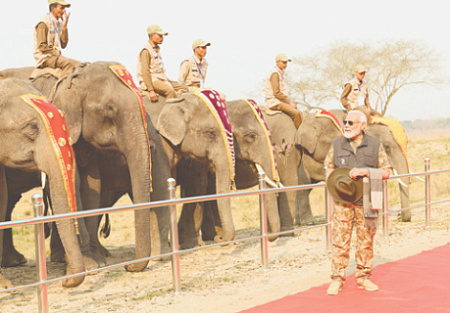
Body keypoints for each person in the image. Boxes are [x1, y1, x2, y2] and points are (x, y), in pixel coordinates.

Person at [324, 110, 390, 295]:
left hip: (368, 199)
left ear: (362, 125)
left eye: (351, 122)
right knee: (339, 240)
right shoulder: (336, 145)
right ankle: (337, 279)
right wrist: (333, 188)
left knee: (366, 241)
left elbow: (386, 172)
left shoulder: (375, 145)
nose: (346, 125)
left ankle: (363, 278)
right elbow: (329, 168)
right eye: (345, 121)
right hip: (342, 201)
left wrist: (365, 171)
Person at [137, 24, 188, 102]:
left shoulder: (156, 49)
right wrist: (151, 90)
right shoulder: (146, 50)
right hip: (152, 80)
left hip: (162, 78)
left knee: (184, 88)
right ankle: (167, 113)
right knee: (170, 91)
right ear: (151, 36)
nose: (162, 38)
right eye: (160, 36)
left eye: (162, 36)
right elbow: (145, 71)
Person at [33, 0, 80, 78]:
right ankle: (63, 88)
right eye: (61, 8)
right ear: (53, 8)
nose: (64, 11)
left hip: (56, 57)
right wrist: (58, 55)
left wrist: (65, 27)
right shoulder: (43, 23)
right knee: (68, 64)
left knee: (81, 65)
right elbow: (42, 47)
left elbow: (63, 45)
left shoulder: (59, 24)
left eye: (64, 9)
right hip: (45, 58)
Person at [264, 53, 302, 128]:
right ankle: (300, 136)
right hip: (274, 102)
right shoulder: (275, 73)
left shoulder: (279, 73)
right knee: (296, 113)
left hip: (278, 101)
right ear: (277, 62)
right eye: (283, 62)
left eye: (286, 62)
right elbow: (276, 93)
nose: (286, 64)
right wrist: (289, 102)